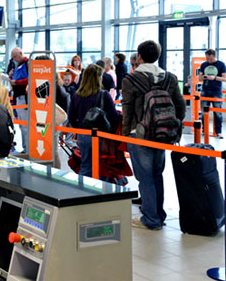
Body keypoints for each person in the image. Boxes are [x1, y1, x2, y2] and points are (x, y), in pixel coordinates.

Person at [122, 40, 185, 230]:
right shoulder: (170, 78)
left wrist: (125, 136)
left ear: (139, 57)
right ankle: (159, 214)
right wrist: (171, 124)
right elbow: (180, 106)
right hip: (163, 134)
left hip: (139, 134)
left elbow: (127, 111)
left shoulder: (130, 80)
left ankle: (151, 219)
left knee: (145, 177)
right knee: (157, 175)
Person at [68, 64, 119, 178]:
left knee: (85, 166)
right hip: (100, 135)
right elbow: (113, 116)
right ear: (98, 78)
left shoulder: (77, 95)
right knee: (101, 167)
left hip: (83, 135)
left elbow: (71, 117)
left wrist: (80, 128)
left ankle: (82, 192)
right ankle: (100, 193)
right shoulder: (103, 95)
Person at [199, 49, 226, 138]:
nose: (209, 61)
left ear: (214, 56)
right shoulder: (203, 64)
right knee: (203, 112)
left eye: (210, 59)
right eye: (207, 58)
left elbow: (224, 78)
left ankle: (218, 132)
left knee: (218, 112)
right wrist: (204, 77)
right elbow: (200, 78)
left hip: (216, 91)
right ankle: (204, 130)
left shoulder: (221, 64)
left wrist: (214, 78)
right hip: (205, 90)